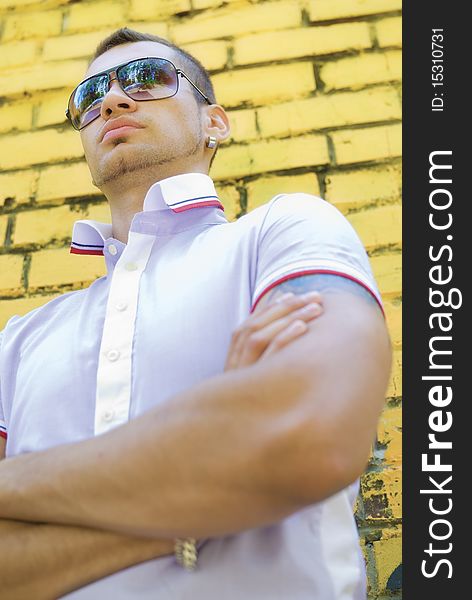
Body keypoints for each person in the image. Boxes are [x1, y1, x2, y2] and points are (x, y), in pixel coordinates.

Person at [0, 27, 392, 599]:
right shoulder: (20, 340)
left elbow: (315, 439)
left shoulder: (282, 233)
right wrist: (215, 467)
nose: (113, 99)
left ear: (216, 123)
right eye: (90, 96)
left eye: (147, 79)